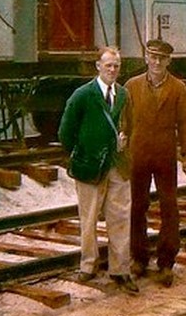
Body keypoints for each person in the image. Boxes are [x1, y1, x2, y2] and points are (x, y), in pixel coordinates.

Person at [58, 46, 139, 294]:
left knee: (120, 219)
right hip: (90, 167)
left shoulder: (124, 95)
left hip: (117, 166)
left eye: (116, 66)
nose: (113, 70)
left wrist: (126, 139)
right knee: (89, 218)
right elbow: (65, 133)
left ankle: (120, 270)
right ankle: (88, 266)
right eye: (108, 66)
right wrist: (83, 153)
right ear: (98, 66)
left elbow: (132, 125)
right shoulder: (83, 95)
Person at [125, 38, 186, 288]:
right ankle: (139, 258)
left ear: (169, 61)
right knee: (136, 206)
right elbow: (124, 122)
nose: (156, 62)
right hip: (138, 154)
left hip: (165, 155)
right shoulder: (131, 86)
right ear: (146, 58)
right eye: (152, 57)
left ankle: (166, 263)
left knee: (169, 206)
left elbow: (185, 123)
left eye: (161, 58)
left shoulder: (178, 88)